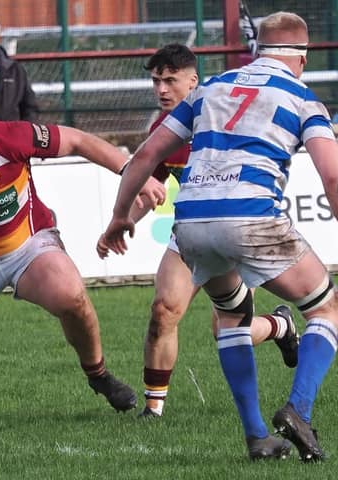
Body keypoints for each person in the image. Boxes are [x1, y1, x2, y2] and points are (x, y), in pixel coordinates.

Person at [100, 12, 338, 462]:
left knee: (230, 317)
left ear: (257, 51)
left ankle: (257, 437)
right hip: (249, 217)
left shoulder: (211, 88)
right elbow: (333, 175)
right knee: (327, 308)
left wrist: (117, 217)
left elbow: (147, 153)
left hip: (191, 222)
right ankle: (299, 411)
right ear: (301, 59)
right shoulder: (304, 98)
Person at [0, 80, 165, 433]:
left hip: (29, 243)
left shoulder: (6, 137)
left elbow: (77, 140)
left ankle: (98, 374)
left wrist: (133, 173)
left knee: (72, 297)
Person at [97, 44, 299, 420]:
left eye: (170, 80)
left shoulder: (224, 116)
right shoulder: (163, 127)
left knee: (226, 332)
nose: (161, 89)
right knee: (163, 310)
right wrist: (123, 222)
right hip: (190, 232)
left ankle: (279, 326)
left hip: (237, 227)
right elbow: (150, 188)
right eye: (156, 81)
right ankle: (153, 409)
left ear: (194, 81)